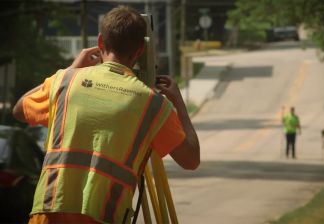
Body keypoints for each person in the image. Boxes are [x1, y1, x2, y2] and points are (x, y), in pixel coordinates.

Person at [12, 5, 200, 224]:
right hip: (102, 216)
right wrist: (178, 103)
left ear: (100, 42)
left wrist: (72, 68)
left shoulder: (65, 81)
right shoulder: (153, 105)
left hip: (49, 210)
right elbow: (191, 160)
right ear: (140, 50)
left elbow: (19, 110)